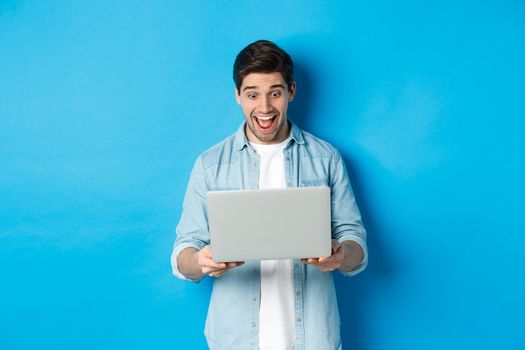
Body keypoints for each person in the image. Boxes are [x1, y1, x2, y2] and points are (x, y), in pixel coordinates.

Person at [171, 39, 368, 350]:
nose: (264, 108)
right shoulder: (210, 165)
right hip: (235, 340)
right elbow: (183, 254)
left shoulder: (326, 158)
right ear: (238, 95)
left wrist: (342, 254)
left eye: (274, 93)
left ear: (291, 91)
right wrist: (200, 260)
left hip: (313, 338)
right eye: (252, 95)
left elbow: (355, 241)